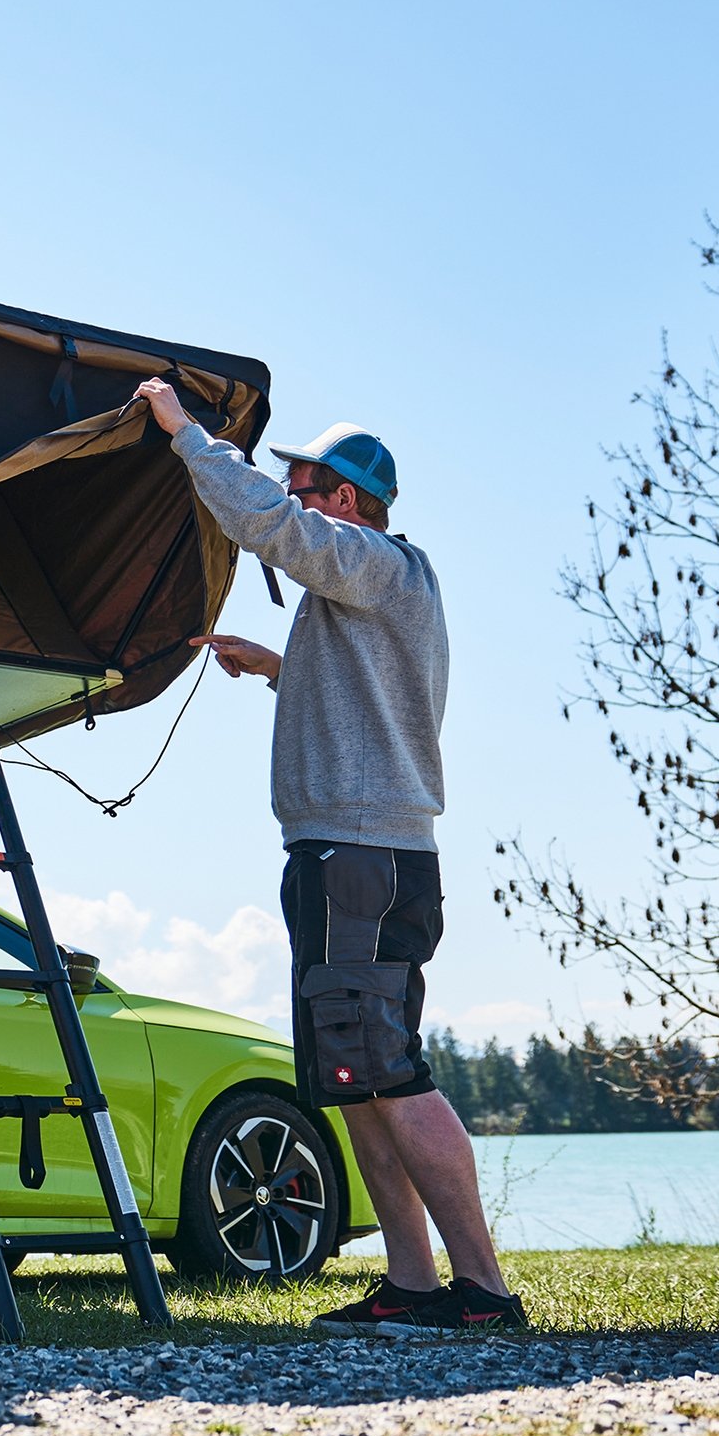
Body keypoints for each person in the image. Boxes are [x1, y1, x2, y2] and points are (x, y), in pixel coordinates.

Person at [133, 377, 528, 1337]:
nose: (294, 498)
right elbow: (368, 710)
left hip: (363, 860)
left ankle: (482, 1291)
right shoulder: (366, 594)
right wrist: (277, 667)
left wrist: (186, 435)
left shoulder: (381, 565)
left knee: (389, 1067)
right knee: (350, 1076)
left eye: (306, 485)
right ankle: (414, 1284)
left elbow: (272, 526)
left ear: (346, 499)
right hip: (340, 856)